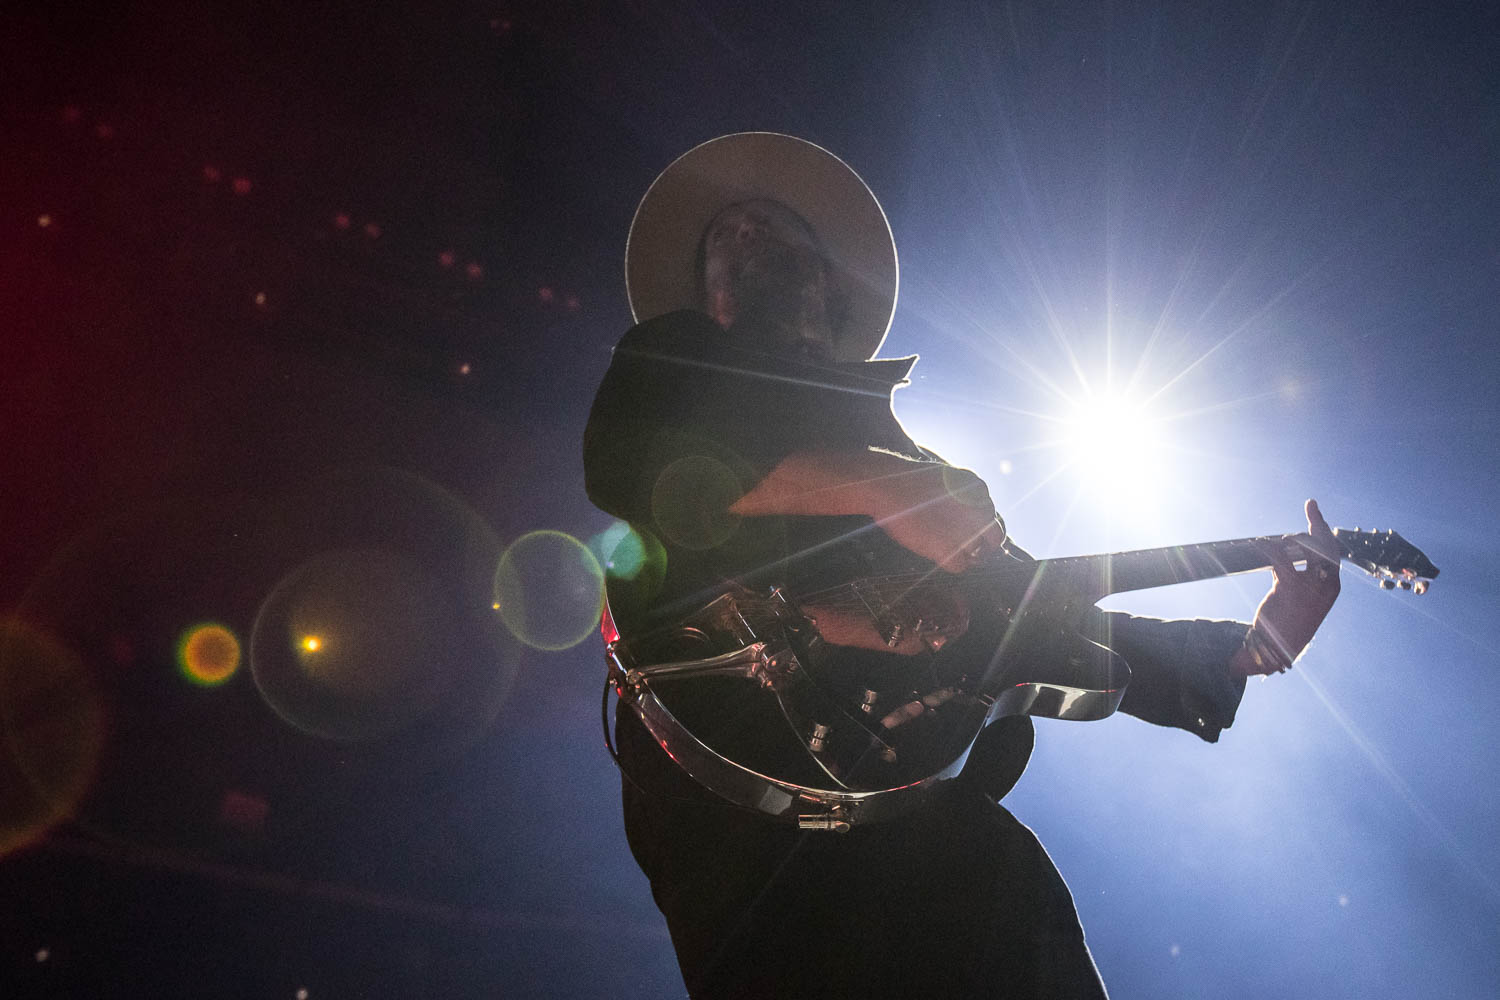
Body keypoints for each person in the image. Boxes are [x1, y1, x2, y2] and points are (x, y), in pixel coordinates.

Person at [582, 132, 1340, 999]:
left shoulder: (921, 465)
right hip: (740, 848)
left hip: (934, 846)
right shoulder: (674, 361)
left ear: (828, 282)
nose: (748, 238)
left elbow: (1031, 614)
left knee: (1005, 890)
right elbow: (635, 464)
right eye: (729, 237)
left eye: (774, 230)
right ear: (706, 293)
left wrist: (1255, 644)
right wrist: (880, 488)